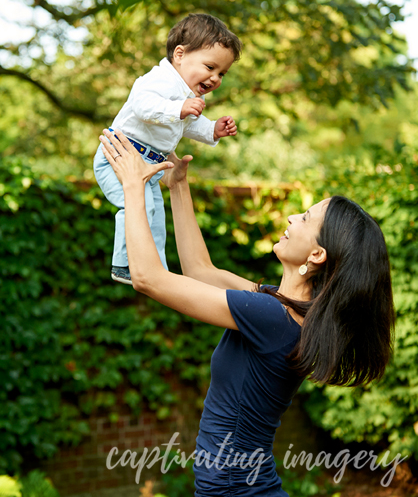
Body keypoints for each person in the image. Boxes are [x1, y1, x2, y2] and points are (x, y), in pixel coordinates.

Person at [98, 129, 395, 497]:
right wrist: (177, 185)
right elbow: (200, 271)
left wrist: (132, 188)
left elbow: (147, 278)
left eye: (304, 218)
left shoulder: (270, 316)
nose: (290, 217)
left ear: (317, 256)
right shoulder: (280, 309)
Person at [93, 13, 242, 285]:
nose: (215, 78)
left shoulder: (186, 96)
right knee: (139, 206)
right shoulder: (159, 80)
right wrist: (179, 109)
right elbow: (143, 106)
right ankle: (123, 264)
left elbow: (189, 125)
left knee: (156, 218)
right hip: (119, 157)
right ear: (180, 54)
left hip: (148, 166)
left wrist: (213, 130)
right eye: (210, 67)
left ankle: (156, 268)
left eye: (222, 73)